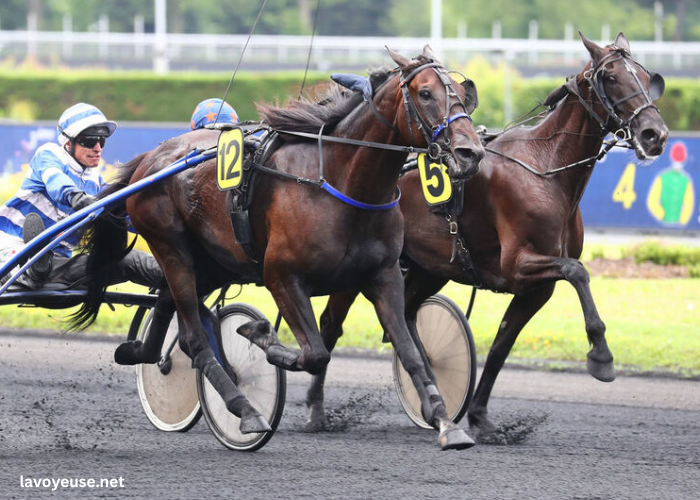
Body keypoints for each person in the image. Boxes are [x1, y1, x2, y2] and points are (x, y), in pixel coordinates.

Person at [0, 102, 163, 290]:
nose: (97, 148)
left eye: (101, 140)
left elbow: (123, 218)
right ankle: (31, 267)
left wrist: (154, 225)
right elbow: (56, 181)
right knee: (29, 261)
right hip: (10, 247)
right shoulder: (49, 154)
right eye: (89, 140)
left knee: (130, 260)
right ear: (67, 143)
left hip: (57, 265)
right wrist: (77, 197)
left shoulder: (95, 183)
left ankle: (185, 280)